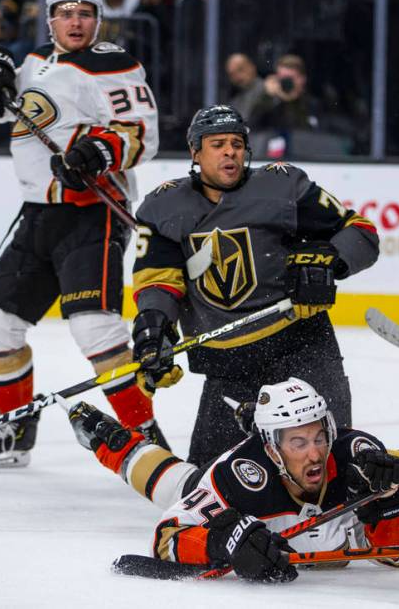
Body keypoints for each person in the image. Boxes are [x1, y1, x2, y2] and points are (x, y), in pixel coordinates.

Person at [0, 0, 162, 468]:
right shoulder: (34, 60)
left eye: (85, 12)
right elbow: (13, 112)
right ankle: (15, 430)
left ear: (99, 18)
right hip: (37, 215)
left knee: (96, 329)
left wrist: (97, 152)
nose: (76, 21)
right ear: (50, 18)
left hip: (91, 214)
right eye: (66, 12)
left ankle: (146, 439)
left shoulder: (114, 64)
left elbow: (142, 133)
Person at [131, 103, 378, 466]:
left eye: (237, 142)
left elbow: (362, 234)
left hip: (300, 347)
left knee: (332, 465)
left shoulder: (282, 186)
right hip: (228, 366)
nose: (230, 151)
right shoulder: (163, 206)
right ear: (195, 153)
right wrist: (154, 330)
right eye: (217, 143)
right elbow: (158, 280)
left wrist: (327, 262)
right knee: (208, 486)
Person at [67, 377, 399, 582]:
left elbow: (398, 555)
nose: (314, 454)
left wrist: (387, 505)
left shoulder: (355, 455)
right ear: (270, 449)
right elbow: (166, 539)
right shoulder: (237, 477)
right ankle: (112, 442)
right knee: (180, 483)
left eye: (318, 438)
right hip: (213, 484)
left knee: (398, 469)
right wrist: (223, 544)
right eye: (298, 443)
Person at [223, 52, 264, 123]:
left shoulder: (267, 90)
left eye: (240, 69)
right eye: (232, 74)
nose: (237, 77)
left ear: (252, 67)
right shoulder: (234, 99)